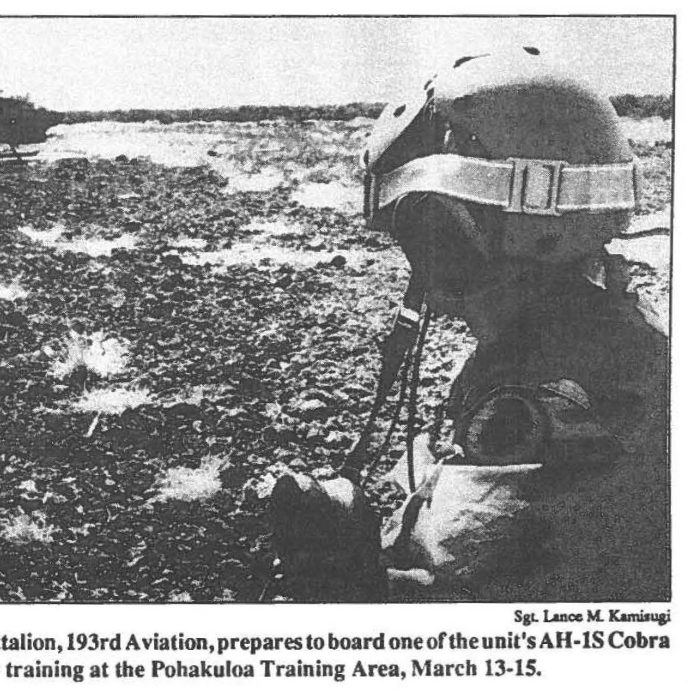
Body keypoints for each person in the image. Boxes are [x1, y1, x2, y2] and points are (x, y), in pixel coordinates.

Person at [269, 47, 669, 602]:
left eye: (426, 223)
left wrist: (347, 582)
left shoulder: (548, 404)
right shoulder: (597, 332)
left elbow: (466, 611)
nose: (416, 250)